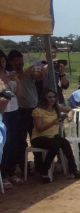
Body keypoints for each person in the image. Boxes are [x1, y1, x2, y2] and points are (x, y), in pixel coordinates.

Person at [31, 89, 80, 183]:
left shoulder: (56, 107)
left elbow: (70, 110)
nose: (52, 99)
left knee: (65, 143)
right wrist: (52, 123)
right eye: (49, 97)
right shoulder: (37, 111)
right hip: (39, 137)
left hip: (53, 135)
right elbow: (39, 128)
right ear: (44, 98)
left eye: (54, 97)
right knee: (55, 145)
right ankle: (44, 171)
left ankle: (73, 170)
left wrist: (69, 116)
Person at [8, 50, 40, 177]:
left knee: (36, 137)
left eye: (21, 60)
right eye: (17, 60)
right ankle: (23, 166)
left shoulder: (28, 73)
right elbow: (11, 84)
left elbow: (39, 77)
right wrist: (24, 74)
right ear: (11, 62)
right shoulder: (11, 75)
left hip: (34, 108)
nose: (20, 62)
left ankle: (39, 164)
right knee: (21, 140)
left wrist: (40, 72)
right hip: (21, 110)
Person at [0, 49, 24, 190]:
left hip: (14, 110)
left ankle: (11, 172)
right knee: (4, 144)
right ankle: (3, 175)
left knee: (14, 142)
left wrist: (17, 81)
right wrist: (3, 82)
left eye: (3, 61)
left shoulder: (11, 74)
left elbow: (18, 95)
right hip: (2, 113)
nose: (2, 64)